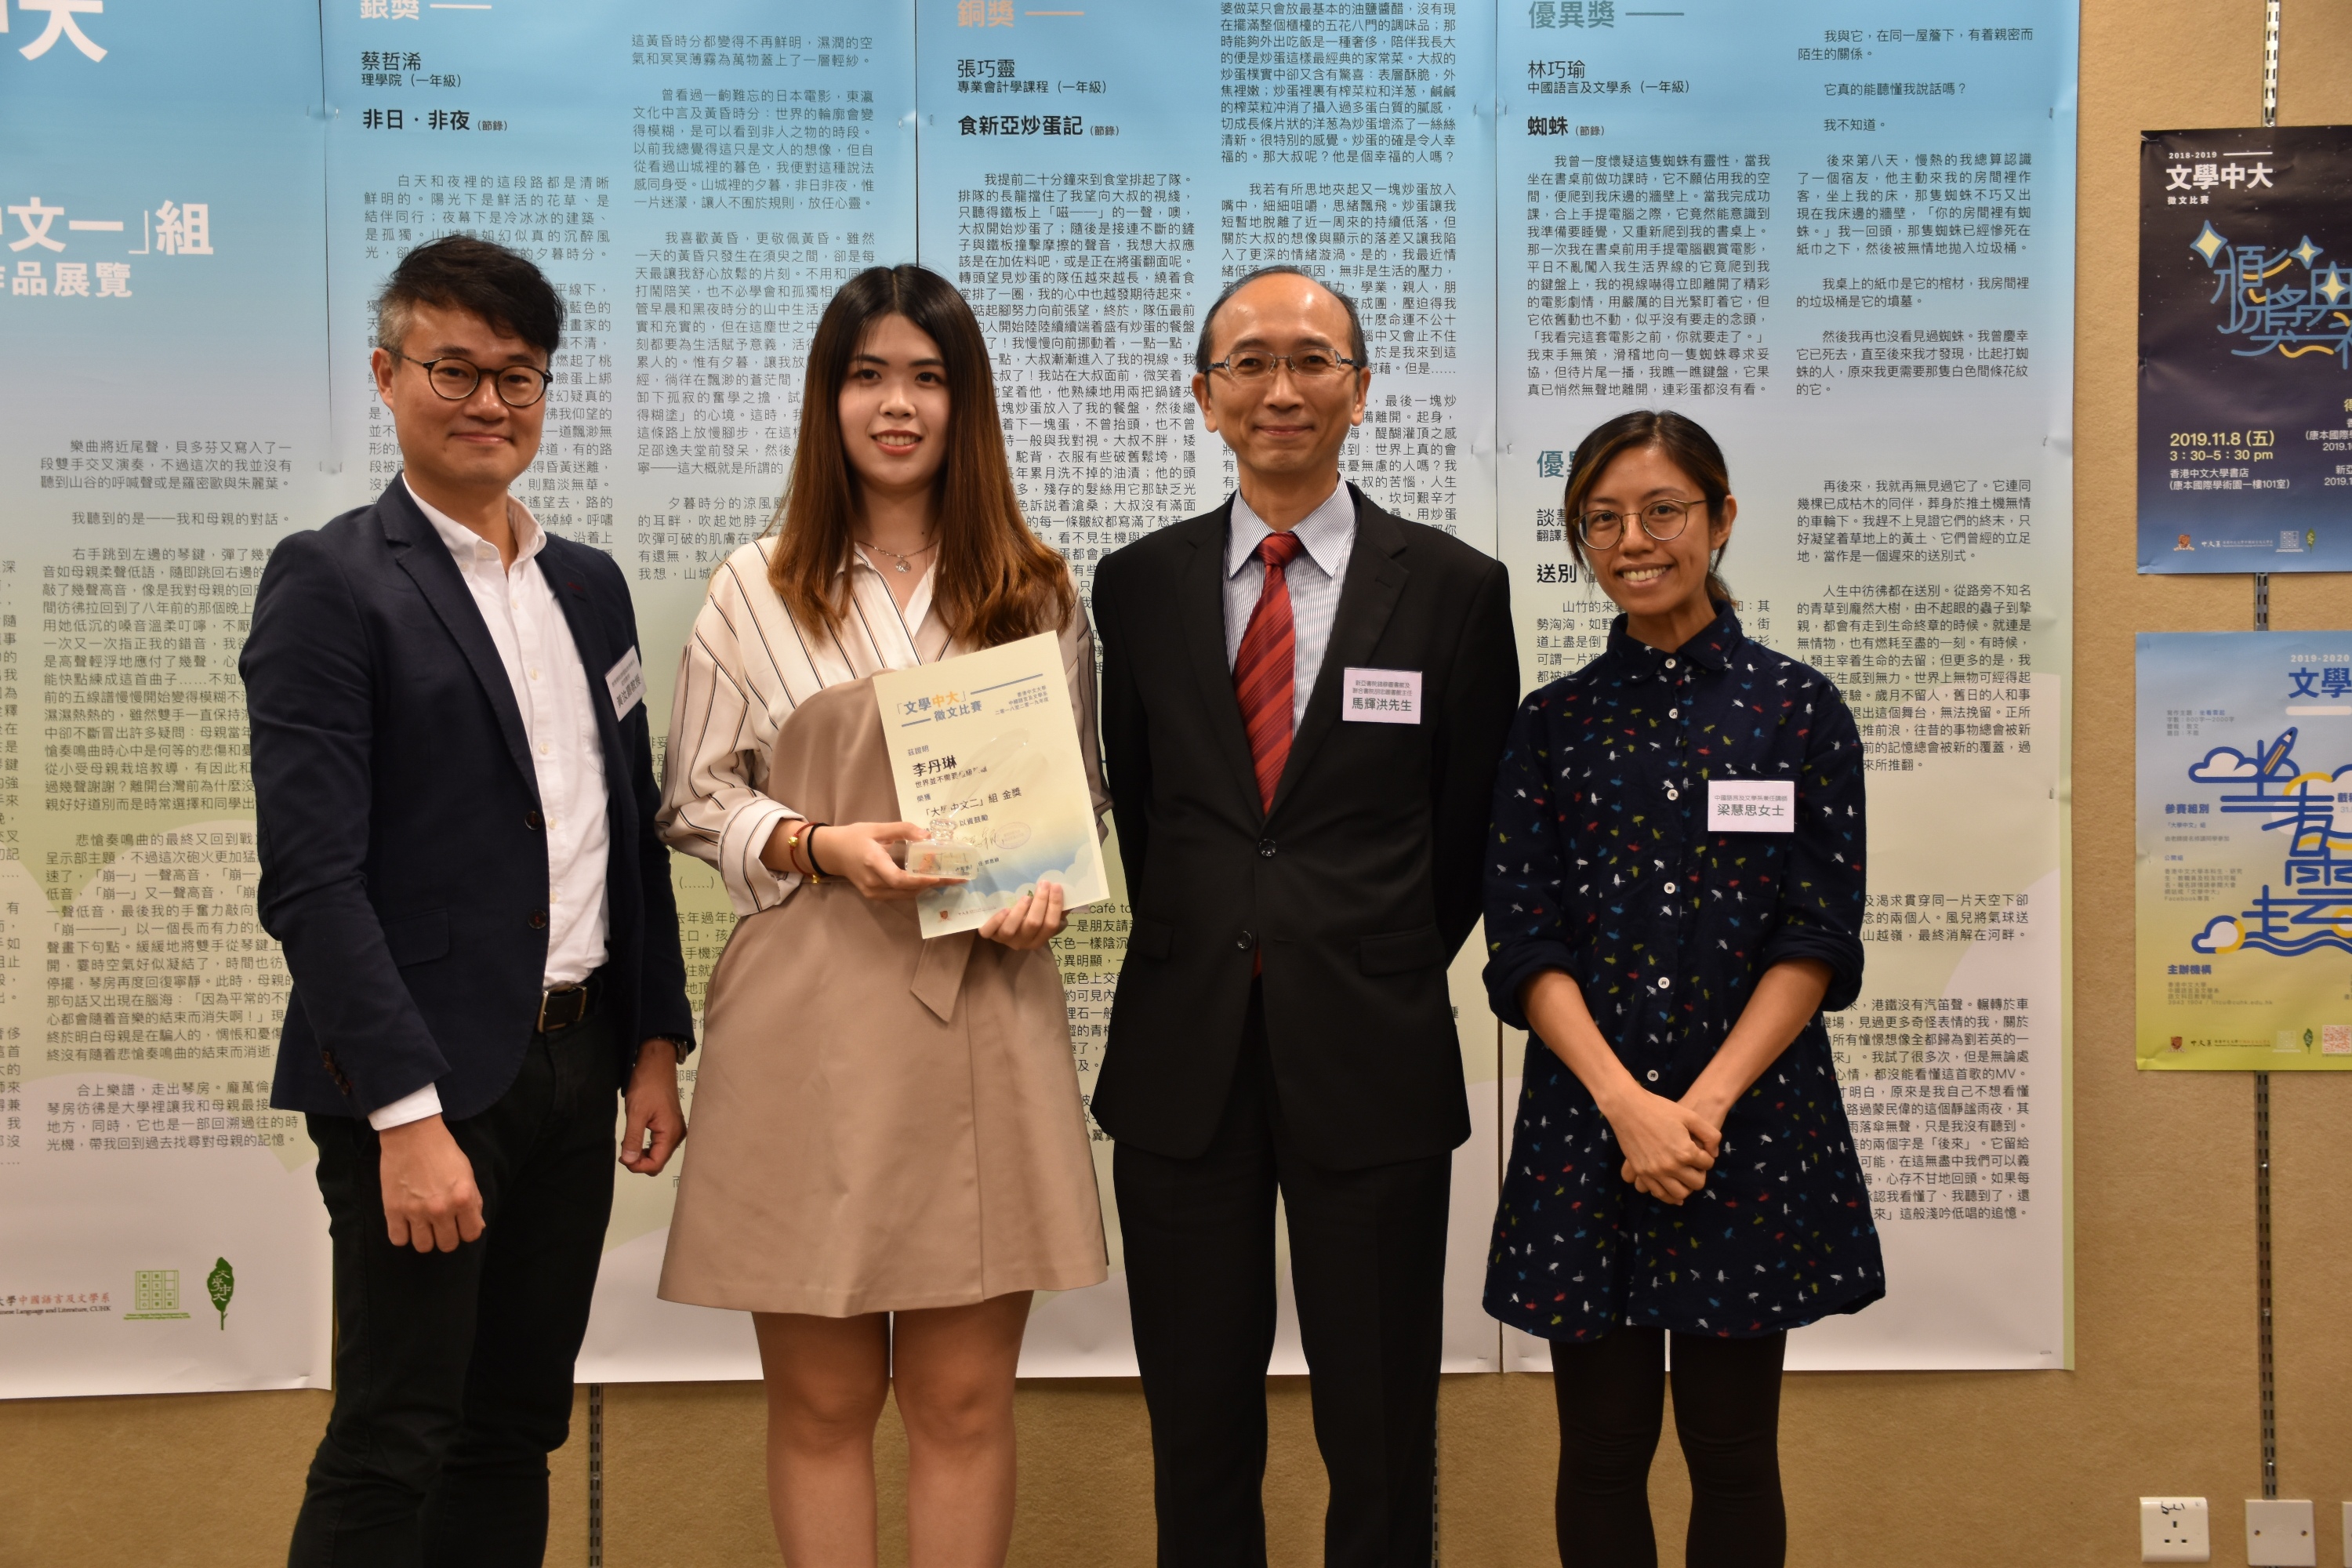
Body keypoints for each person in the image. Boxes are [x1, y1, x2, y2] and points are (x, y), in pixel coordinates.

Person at [244, 234, 695, 1566]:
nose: (489, 403)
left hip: (573, 1074)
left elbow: (628, 830)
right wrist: (402, 1117)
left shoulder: (587, 584)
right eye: (455, 370)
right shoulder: (333, 582)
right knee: (395, 1433)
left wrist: (654, 1042)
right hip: (425, 1092)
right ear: (385, 377)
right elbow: (313, 882)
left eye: (519, 377)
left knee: (514, 1430)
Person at [654, 263, 1106, 1568]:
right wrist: (815, 843)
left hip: (984, 1008)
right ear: (828, 398)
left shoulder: (1034, 588)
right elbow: (693, 801)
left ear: (966, 404)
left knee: (964, 1401)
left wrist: (1040, 898)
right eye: (867, 376)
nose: (896, 405)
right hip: (809, 1012)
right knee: (824, 1400)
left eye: (926, 376)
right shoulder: (757, 585)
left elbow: (1072, 804)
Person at [1091, 265, 1520, 1566]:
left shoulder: (1453, 587)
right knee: (1197, 1419)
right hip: (1184, 1060)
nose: (1282, 388)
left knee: (1379, 1421)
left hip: (1371, 1052)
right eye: (1250, 363)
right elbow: (1155, 812)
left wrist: (1354, 955)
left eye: (1314, 360)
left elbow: (1468, 836)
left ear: (1361, 392)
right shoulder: (1139, 585)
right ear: (1207, 399)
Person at [1480, 409, 1885, 1568]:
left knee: (1733, 1447)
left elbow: (1818, 935)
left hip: (1745, 1125)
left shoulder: (1798, 710)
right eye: (1601, 520)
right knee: (1600, 1450)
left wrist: (1696, 1109)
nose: (1633, 540)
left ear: (1720, 519)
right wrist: (1628, 1106)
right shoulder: (1551, 724)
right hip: (1589, 1123)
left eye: (1663, 511)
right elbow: (1524, 944)